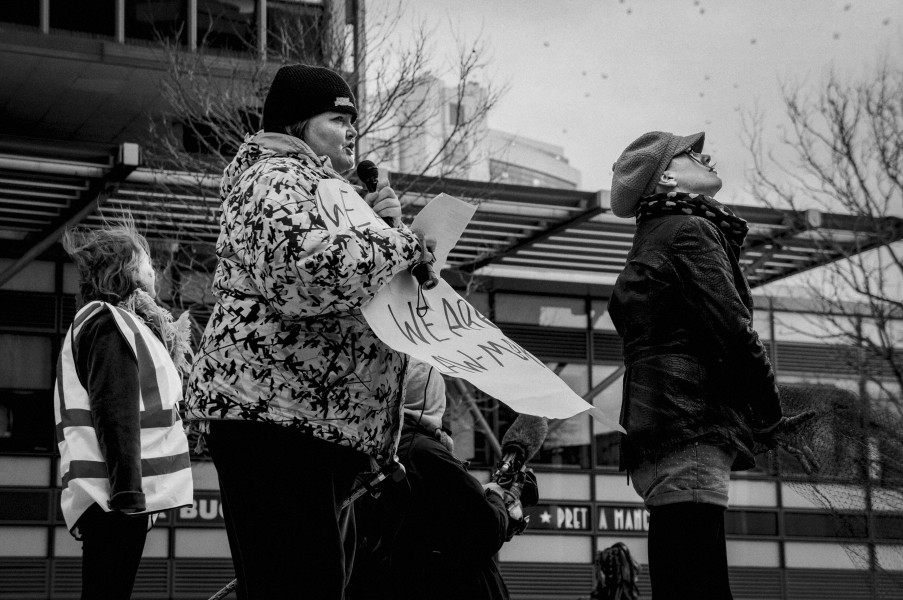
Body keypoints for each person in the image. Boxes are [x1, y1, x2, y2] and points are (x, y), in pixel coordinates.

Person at [185, 64, 432, 599]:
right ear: (296, 123)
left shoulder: (322, 191)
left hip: (301, 423)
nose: (350, 132)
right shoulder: (272, 178)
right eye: (336, 118)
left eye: (354, 122)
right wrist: (400, 247)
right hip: (273, 423)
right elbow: (301, 274)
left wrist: (381, 227)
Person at [607, 131, 816, 599]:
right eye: (689, 153)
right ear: (666, 176)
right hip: (691, 432)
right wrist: (769, 413)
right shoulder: (690, 229)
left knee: (678, 576)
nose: (705, 155)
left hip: (657, 437)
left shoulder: (652, 235)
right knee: (700, 583)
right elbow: (734, 331)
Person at [54, 223, 194, 600]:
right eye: (147, 260)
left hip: (114, 497)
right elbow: (114, 410)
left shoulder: (119, 323)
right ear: (125, 267)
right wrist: (129, 496)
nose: (154, 270)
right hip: (116, 498)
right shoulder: (109, 324)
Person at [348, 359, 530, 600]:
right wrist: (497, 496)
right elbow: (485, 531)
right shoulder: (424, 453)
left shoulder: (373, 449)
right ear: (433, 398)